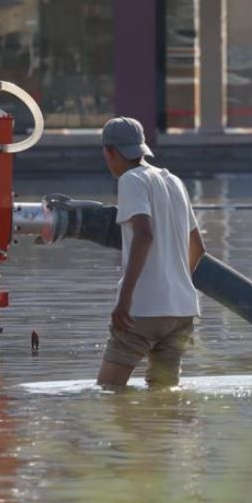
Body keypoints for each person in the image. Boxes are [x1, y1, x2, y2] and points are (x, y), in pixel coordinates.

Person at [97, 117, 206, 389]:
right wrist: (176, 285)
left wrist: (125, 299)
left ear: (108, 152)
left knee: (108, 392)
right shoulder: (174, 181)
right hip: (181, 311)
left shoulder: (131, 180)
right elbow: (198, 248)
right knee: (163, 395)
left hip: (142, 311)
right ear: (141, 148)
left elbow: (144, 234)